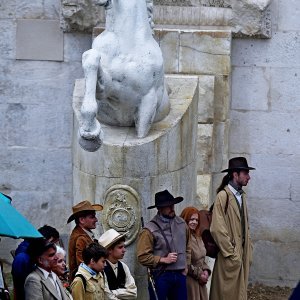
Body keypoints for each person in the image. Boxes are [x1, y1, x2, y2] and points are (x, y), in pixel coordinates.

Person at [209, 157, 255, 300]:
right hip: (229, 257)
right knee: (225, 294)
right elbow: (217, 228)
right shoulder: (223, 196)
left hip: (241, 254)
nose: (249, 177)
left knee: (239, 293)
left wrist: (249, 248)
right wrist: (231, 253)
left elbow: (245, 227)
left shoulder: (242, 196)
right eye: (245, 173)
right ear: (235, 175)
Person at [137, 189, 191, 300]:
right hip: (161, 276)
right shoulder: (149, 229)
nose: (172, 208)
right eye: (168, 206)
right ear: (159, 208)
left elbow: (188, 247)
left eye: (172, 205)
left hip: (180, 275)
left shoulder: (182, 224)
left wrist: (186, 266)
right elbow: (142, 257)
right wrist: (162, 259)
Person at [12, 224, 60, 300]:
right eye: (53, 243)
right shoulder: (22, 258)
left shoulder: (34, 253)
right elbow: (19, 287)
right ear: (47, 240)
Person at [67, 200, 103, 282]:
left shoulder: (84, 234)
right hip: (85, 283)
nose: (96, 220)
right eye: (92, 217)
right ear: (82, 220)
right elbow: (83, 266)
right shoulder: (80, 238)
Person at [180, 207, 210, 300]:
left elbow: (201, 258)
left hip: (201, 282)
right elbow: (184, 261)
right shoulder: (182, 237)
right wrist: (199, 275)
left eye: (197, 220)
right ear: (185, 219)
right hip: (190, 281)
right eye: (192, 219)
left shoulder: (197, 236)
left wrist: (206, 270)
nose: (195, 222)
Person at [98, 229, 137, 299]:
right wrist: (124, 292)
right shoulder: (101, 268)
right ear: (109, 250)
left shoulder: (124, 266)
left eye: (124, 247)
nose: (124, 250)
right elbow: (106, 295)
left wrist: (114, 292)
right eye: (120, 247)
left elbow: (133, 293)